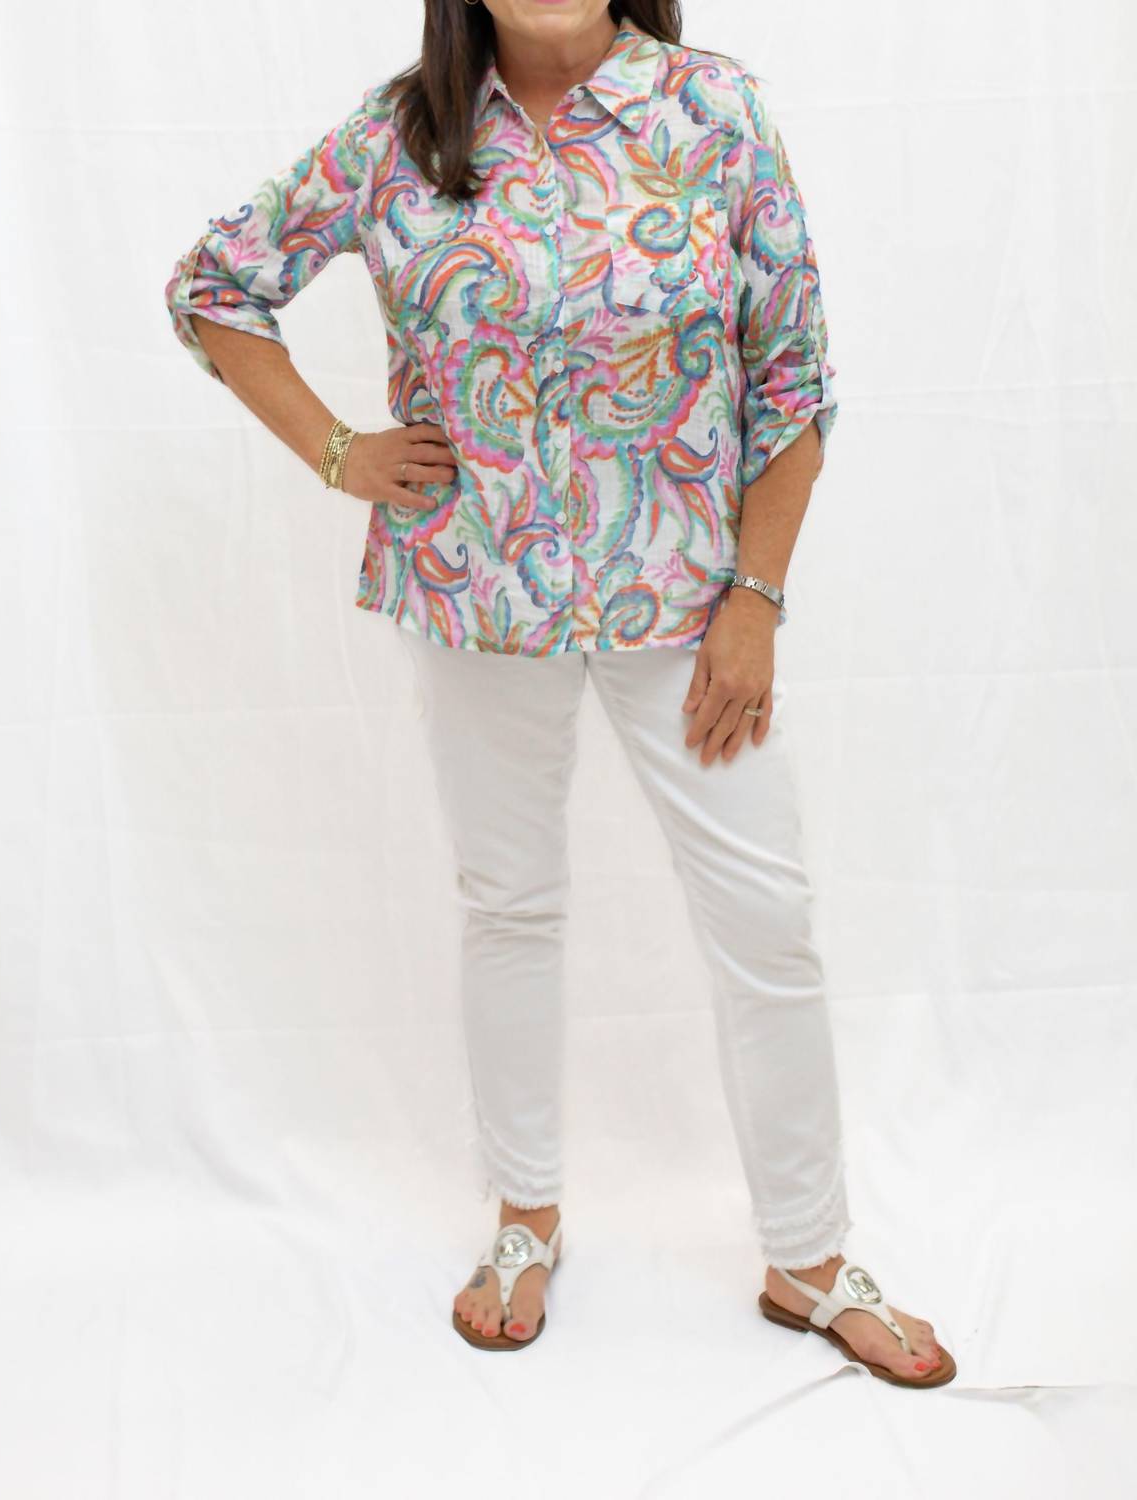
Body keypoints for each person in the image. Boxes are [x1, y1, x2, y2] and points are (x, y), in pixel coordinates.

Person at [163, 0, 955, 1387]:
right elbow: (214, 287)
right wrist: (340, 452)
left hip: (685, 601)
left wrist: (756, 599)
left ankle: (811, 1256)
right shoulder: (402, 134)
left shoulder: (710, 111)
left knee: (765, 920)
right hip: (478, 592)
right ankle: (524, 1219)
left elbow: (791, 376)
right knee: (509, 905)